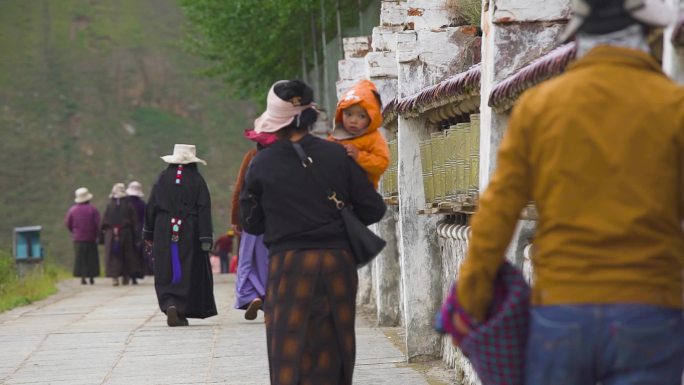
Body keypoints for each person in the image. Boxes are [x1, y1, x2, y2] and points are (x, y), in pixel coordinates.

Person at [452, 1, 683, 384]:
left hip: (562, 305)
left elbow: (498, 209)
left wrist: (472, 293)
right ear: (649, 35)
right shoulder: (672, 105)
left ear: (578, 37)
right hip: (649, 306)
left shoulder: (540, 107)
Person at [240, 80, 386, 385]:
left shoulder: (261, 163)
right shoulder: (338, 155)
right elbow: (373, 209)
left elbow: (251, 222)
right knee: (334, 345)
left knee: (288, 348)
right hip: (337, 262)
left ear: (276, 122)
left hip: (289, 263)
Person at [143, 144, 217, 327]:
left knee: (165, 266)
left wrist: (148, 232)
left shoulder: (162, 178)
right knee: (186, 267)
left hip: (163, 228)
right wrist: (206, 237)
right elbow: (203, 209)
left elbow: (151, 205)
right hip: (189, 229)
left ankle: (170, 303)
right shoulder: (197, 180)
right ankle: (181, 308)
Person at [231, 128, 278, 320]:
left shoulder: (251, 157)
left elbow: (239, 189)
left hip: (251, 217)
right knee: (269, 260)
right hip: (276, 219)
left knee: (247, 261)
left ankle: (251, 295)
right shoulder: (281, 159)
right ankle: (270, 299)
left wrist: (235, 219)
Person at [328, 79, 390, 189]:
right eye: (348, 114)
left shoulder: (373, 138)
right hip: (338, 192)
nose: (353, 120)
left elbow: (382, 164)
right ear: (340, 114)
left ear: (371, 118)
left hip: (363, 192)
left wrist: (359, 156)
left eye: (361, 116)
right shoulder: (336, 136)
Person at [100, 183, 142, 286]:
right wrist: (137, 236)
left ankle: (115, 277)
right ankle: (125, 276)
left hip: (111, 234)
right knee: (126, 254)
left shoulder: (109, 205)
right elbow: (134, 221)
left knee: (113, 255)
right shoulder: (128, 205)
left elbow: (104, 222)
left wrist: (101, 236)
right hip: (126, 233)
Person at [64, 187, 101, 285]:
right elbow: (98, 224)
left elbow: (68, 223)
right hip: (91, 238)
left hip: (78, 238)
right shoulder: (93, 210)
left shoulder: (72, 210)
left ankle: (83, 277)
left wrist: (74, 231)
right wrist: (97, 234)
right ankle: (92, 277)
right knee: (91, 258)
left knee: (81, 258)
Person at [125, 181, 151, 277]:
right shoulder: (142, 204)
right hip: (140, 230)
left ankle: (129, 272)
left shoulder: (125, 204)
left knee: (129, 252)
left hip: (128, 231)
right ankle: (139, 271)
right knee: (139, 252)